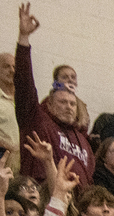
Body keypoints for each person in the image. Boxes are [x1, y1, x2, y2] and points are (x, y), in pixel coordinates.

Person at [14, 5, 94, 185]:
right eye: (63, 102)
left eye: (72, 104)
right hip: (42, 197)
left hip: (76, 206)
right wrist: (24, 39)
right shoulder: (36, 120)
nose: (68, 106)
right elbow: (24, 83)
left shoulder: (82, 139)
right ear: (49, 104)